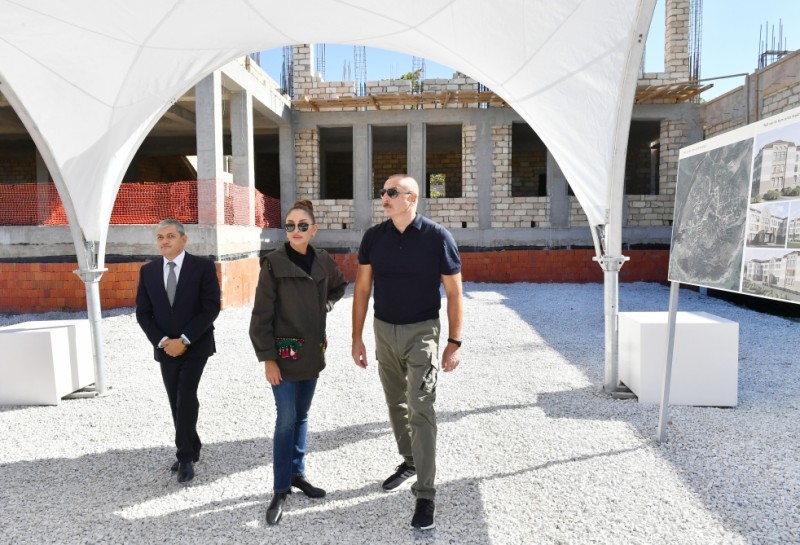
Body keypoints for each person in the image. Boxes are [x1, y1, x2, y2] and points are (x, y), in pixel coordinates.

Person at [351, 174, 463, 531]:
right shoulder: (373, 238)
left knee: (421, 406)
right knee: (396, 402)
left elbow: (455, 293)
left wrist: (454, 342)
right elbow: (362, 289)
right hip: (384, 331)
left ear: (411, 198)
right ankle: (410, 460)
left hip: (422, 331)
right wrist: (356, 337)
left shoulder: (437, 237)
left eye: (391, 193)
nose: (384, 198)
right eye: (383, 192)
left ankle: (425, 494)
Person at [250, 200, 347, 526]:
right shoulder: (273, 264)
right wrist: (268, 360)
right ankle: (280, 489)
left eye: (302, 225)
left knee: (302, 417)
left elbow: (339, 285)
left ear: (313, 230)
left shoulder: (322, 260)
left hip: (312, 355)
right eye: (290, 225)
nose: (295, 230)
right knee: (286, 420)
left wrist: (326, 305)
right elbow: (260, 318)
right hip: (284, 356)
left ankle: (297, 474)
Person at [135, 218, 221, 484]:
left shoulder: (203, 267)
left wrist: (184, 339)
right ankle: (193, 444)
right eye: (160, 237)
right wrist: (163, 341)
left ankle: (184, 457)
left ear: (183, 239)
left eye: (170, 236)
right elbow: (143, 313)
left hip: (196, 345)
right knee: (175, 398)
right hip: (165, 348)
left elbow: (211, 307)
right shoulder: (148, 272)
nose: (165, 241)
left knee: (186, 394)